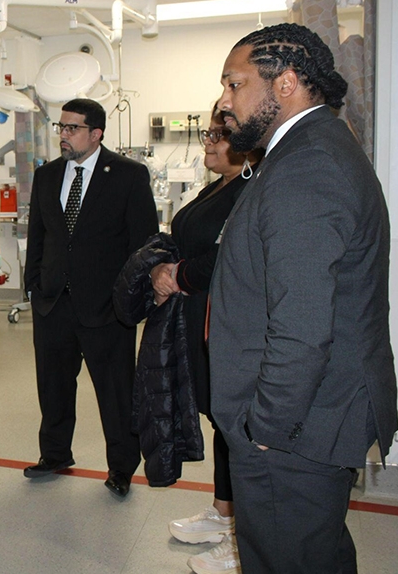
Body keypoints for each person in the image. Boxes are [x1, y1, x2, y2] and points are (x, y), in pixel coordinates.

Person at [209, 23, 398, 573]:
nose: (225, 103)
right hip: (314, 417)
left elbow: (304, 318)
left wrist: (268, 428)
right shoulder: (314, 149)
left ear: (286, 83)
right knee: (315, 552)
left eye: (234, 84)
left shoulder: (307, 165)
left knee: (288, 558)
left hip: (296, 429)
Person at [23, 98, 159, 496]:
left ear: (96, 133)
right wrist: (34, 285)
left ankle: (121, 468)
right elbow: (39, 237)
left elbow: (143, 244)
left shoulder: (128, 176)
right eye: (60, 128)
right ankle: (54, 453)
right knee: (53, 386)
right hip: (53, 303)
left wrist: (130, 300)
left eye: (72, 128)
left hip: (106, 308)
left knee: (115, 392)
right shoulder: (47, 176)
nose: (63, 136)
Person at [150, 107, 263, 574]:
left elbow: (228, 255)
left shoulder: (252, 189)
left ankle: (246, 537)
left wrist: (176, 275)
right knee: (221, 417)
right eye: (209, 135)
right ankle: (224, 513)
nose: (209, 144)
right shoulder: (214, 188)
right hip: (198, 317)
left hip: (227, 317)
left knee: (237, 424)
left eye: (219, 136)